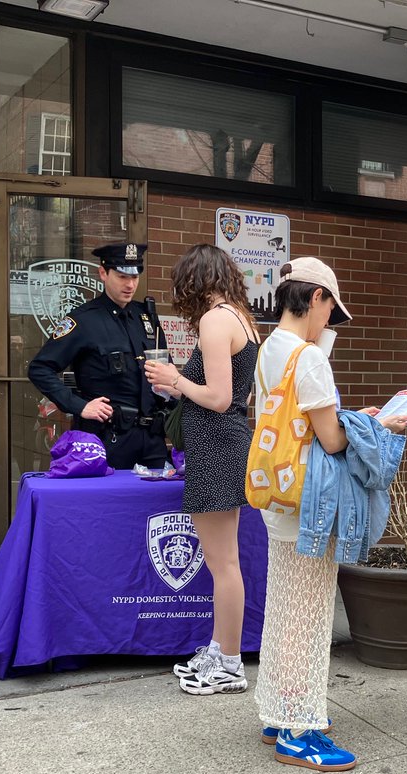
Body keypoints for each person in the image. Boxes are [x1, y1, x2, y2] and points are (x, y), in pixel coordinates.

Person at [252, 257, 407, 772]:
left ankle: (279, 712)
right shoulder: (310, 359)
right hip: (310, 506)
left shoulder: (270, 349)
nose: (330, 324)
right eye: (329, 311)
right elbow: (332, 439)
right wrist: (380, 426)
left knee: (284, 609)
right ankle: (300, 728)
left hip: (279, 497)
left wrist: (351, 415)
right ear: (315, 297)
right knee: (310, 615)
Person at [143, 245, 260, 695]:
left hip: (216, 446)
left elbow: (219, 398)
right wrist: (179, 387)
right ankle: (220, 650)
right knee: (223, 561)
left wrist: (174, 380)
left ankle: (229, 664)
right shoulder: (240, 318)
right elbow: (233, 398)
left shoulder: (215, 320)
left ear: (194, 281)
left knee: (223, 562)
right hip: (225, 443)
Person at [27, 243, 170, 470]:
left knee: (161, 504)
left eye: (135, 277)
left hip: (151, 439)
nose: (130, 284)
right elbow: (39, 368)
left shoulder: (145, 317)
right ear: (103, 273)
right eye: (122, 276)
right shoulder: (83, 320)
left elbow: (163, 371)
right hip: (107, 439)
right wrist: (79, 406)